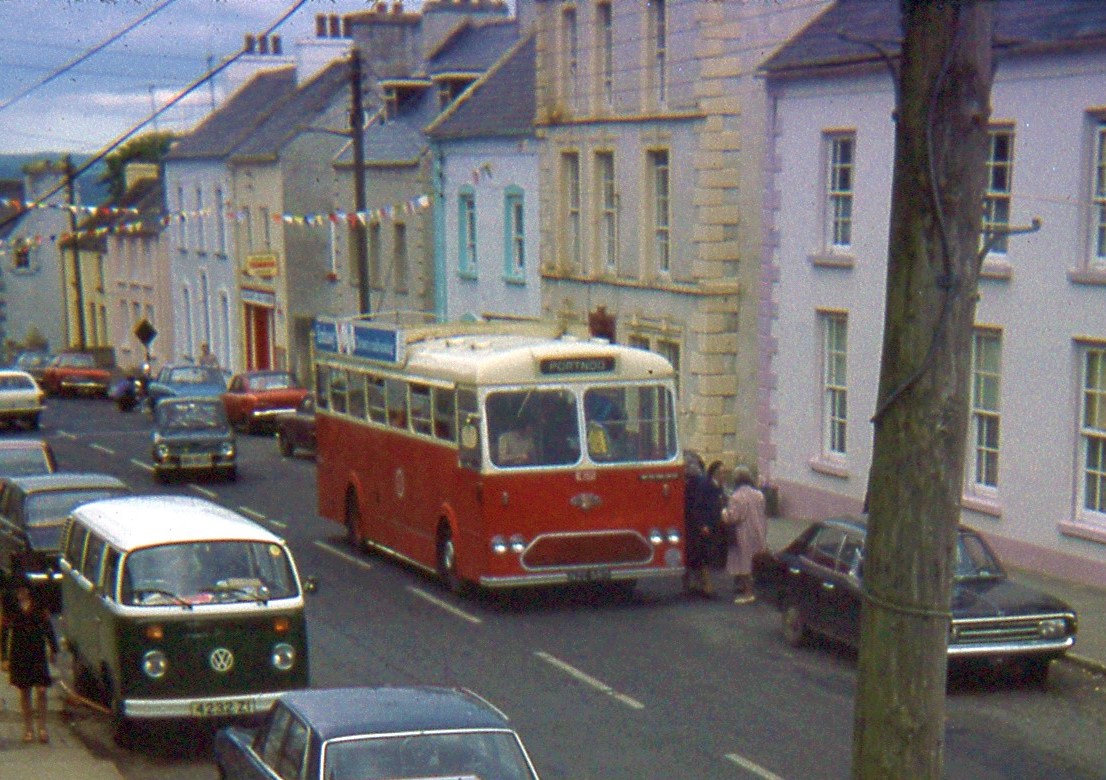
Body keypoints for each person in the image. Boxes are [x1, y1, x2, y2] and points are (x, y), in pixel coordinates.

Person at [1, 579, 58, 743]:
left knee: (41, 690)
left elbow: (48, 627)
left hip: (37, 650)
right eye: (18, 591)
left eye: (24, 590)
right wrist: (4, 657)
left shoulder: (39, 606)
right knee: (24, 691)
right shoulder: (11, 608)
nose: (21, 594)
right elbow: (4, 632)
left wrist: (53, 649)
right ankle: (28, 729)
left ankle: (42, 727)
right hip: (19, 651)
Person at [722, 465, 768, 605]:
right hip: (759, 529)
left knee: (744, 561)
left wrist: (724, 512)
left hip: (743, 532)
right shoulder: (759, 495)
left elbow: (733, 517)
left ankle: (748, 593)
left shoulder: (736, 497)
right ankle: (749, 588)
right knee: (755, 559)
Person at [684, 457, 727, 597]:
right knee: (704, 556)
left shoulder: (719, 486)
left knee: (707, 555)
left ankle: (698, 583)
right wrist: (703, 524)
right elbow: (699, 506)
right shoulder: (705, 485)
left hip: (715, 525)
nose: (724, 475)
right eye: (721, 473)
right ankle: (707, 586)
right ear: (714, 473)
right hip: (704, 526)